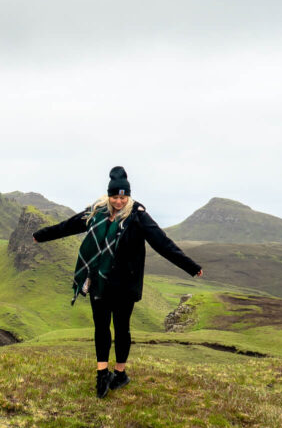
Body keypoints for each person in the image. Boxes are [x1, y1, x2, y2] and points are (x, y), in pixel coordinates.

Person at [32, 166, 203, 399]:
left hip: (125, 285)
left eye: (123, 197)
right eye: (115, 197)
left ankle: (120, 374)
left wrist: (191, 267)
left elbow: (163, 244)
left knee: (122, 328)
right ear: (109, 195)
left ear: (128, 196)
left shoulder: (138, 217)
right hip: (98, 281)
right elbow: (69, 226)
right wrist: (41, 235)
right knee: (101, 327)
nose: (119, 201)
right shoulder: (97, 212)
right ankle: (102, 374)